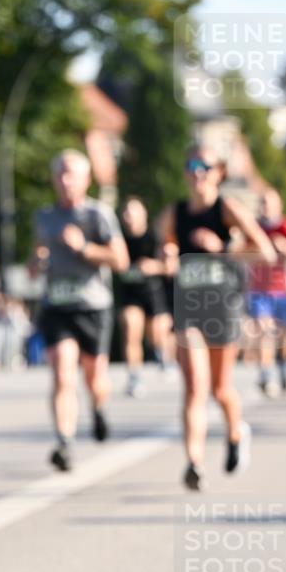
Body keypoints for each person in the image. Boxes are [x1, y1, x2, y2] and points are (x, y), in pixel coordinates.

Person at [159, 146, 276, 490]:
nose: (198, 172)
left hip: (222, 306)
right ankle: (194, 463)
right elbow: (163, 246)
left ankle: (237, 432)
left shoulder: (226, 208)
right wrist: (167, 253)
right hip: (188, 307)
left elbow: (265, 252)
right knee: (194, 386)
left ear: (219, 173)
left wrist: (223, 248)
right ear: (185, 171)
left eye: (205, 166)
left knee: (220, 388)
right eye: (191, 165)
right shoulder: (174, 213)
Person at [32, 149, 129, 471]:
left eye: (71, 174)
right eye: (60, 174)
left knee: (94, 376)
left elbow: (120, 260)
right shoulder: (44, 217)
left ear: (86, 180)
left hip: (92, 306)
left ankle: (98, 408)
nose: (65, 180)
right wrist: (37, 262)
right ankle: (64, 441)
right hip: (56, 305)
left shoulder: (98, 214)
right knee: (62, 372)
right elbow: (34, 260)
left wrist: (84, 247)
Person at [245, 187, 286, 396]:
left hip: (282, 289)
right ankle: (266, 374)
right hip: (258, 289)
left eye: (269, 203)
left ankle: (285, 368)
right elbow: (240, 252)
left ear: (278, 206)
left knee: (284, 335)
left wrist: (285, 248)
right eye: (262, 202)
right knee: (264, 331)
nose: (265, 207)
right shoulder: (252, 228)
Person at [118, 196, 174, 397]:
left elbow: (171, 266)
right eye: (126, 212)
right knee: (130, 328)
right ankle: (134, 377)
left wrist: (154, 266)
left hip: (154, 293)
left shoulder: (156, 237)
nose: (130, 216)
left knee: (157, 335)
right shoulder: (117, 239)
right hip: (130, 294)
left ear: (144, 214)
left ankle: (164, 358)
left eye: (134, 212)